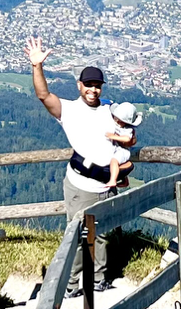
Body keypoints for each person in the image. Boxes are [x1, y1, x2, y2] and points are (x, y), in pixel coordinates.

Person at [26, 37, 118, 290]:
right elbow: (43, 95)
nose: (93, 89)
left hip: (106, 185)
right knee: (77, 235)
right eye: (88, 85)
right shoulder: (69, 110)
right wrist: (37, 66)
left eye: (97, 85)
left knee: (103, 235)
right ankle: (73, 283)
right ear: (79, 86)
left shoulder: (109, 110)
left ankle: (99, 279)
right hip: (81, 184)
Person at [106, 101, 140, 188]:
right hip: (118, 148)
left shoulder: (127, 130)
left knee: (114, 161)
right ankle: (125, 180)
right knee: (117, 163)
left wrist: (113, 136)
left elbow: (127, 139)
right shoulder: (117, 124)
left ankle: (112, 180)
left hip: (122, 151)